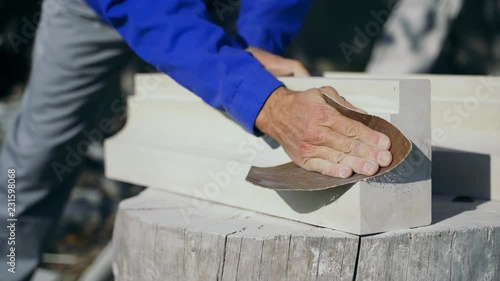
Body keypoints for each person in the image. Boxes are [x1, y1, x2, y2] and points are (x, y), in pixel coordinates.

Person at [0, 0, 393, 280]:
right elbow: (150, 13)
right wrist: (264, 100)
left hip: (223, 7)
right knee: (32, 162)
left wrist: (258, 45)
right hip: (104, 8)